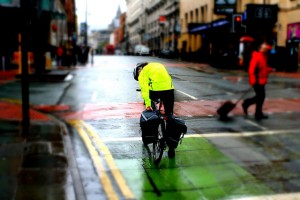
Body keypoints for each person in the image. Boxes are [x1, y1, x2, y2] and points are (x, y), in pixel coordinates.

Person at [133, 62, 176, 158]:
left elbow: (145, 89)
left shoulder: (143, 72)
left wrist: (148, 104)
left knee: (152, 105)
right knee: (169, 116)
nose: (139, 74)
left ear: (139, 69)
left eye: (138, 73)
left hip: (156, 91)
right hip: (169, 89)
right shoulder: (157, 64)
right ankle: (171, 148)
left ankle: (155, 121)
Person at [242, 42, 275, 120]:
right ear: (261, 48)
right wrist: (253, 80)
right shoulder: (257, 56)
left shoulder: (264, 56)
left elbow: (263, 68)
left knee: (260, 97)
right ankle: (251, 107)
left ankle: (250, 106)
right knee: (261, 97)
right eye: (265, 48)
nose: (267, 50)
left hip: (262, 80)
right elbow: (251, 70)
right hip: (257, 81)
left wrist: (270, 69)